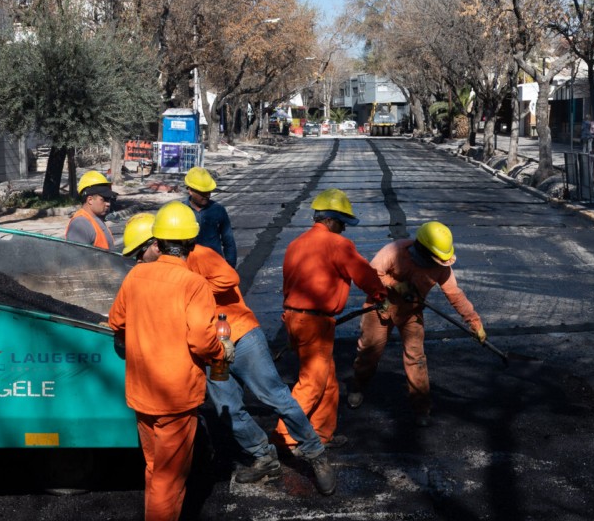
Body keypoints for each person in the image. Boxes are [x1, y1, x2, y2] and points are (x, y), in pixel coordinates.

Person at [107, 201, 228, 521]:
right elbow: (202, 341)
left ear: (157, 242)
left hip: (142, 392)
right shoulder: (194, 284)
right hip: (176, 397)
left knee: (154, 470)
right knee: (169, 478)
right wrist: (222, 352)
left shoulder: (136, 276)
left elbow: (116, 321)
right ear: (191, 244)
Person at [180, 210, 336, 495]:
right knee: (228, 408)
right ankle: (264, 457)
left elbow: (229, 277)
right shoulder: (164, 271)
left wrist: (193, 289)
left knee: (275, 397)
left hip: (240, 338)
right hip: (213, 351)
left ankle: (316, 454)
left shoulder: (200, 255)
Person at [276, 188, 386, 449]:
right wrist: (382, 295)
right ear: (328, 220)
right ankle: (283, 439)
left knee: (327, 382)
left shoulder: (296, 244)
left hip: (294, 318)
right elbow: (363, 274)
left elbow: (289, 283)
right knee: (312, 384)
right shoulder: (338, 245)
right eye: (341, 223)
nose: (344, 229)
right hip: (314, 323)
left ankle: (321, 434)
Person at [346, 221, 484, 428]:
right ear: (423, 248)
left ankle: (421, 407)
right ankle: (358, 386)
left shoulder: (441, 266)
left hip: (411, 312)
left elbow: (455, 294)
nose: (439, 262)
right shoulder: (395, 251)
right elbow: (370, 274)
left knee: (416, 359)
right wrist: (395, 285)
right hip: (380, 307)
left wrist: (474, 321)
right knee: (369, 352)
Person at [184, 166, 237, 266]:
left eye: (209, 191)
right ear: (190, 190)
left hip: (214, 265)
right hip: (190, 266)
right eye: (202, 192)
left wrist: (230, 266)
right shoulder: (181, 211)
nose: (207, 195)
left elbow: (228, 241)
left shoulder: (218, 210)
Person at [66, 169, 117, 250]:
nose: (108, 204)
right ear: (90, 200)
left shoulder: (95, 219)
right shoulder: (81, 224)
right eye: (104, 199)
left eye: (109, 199)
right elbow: (76, 256)